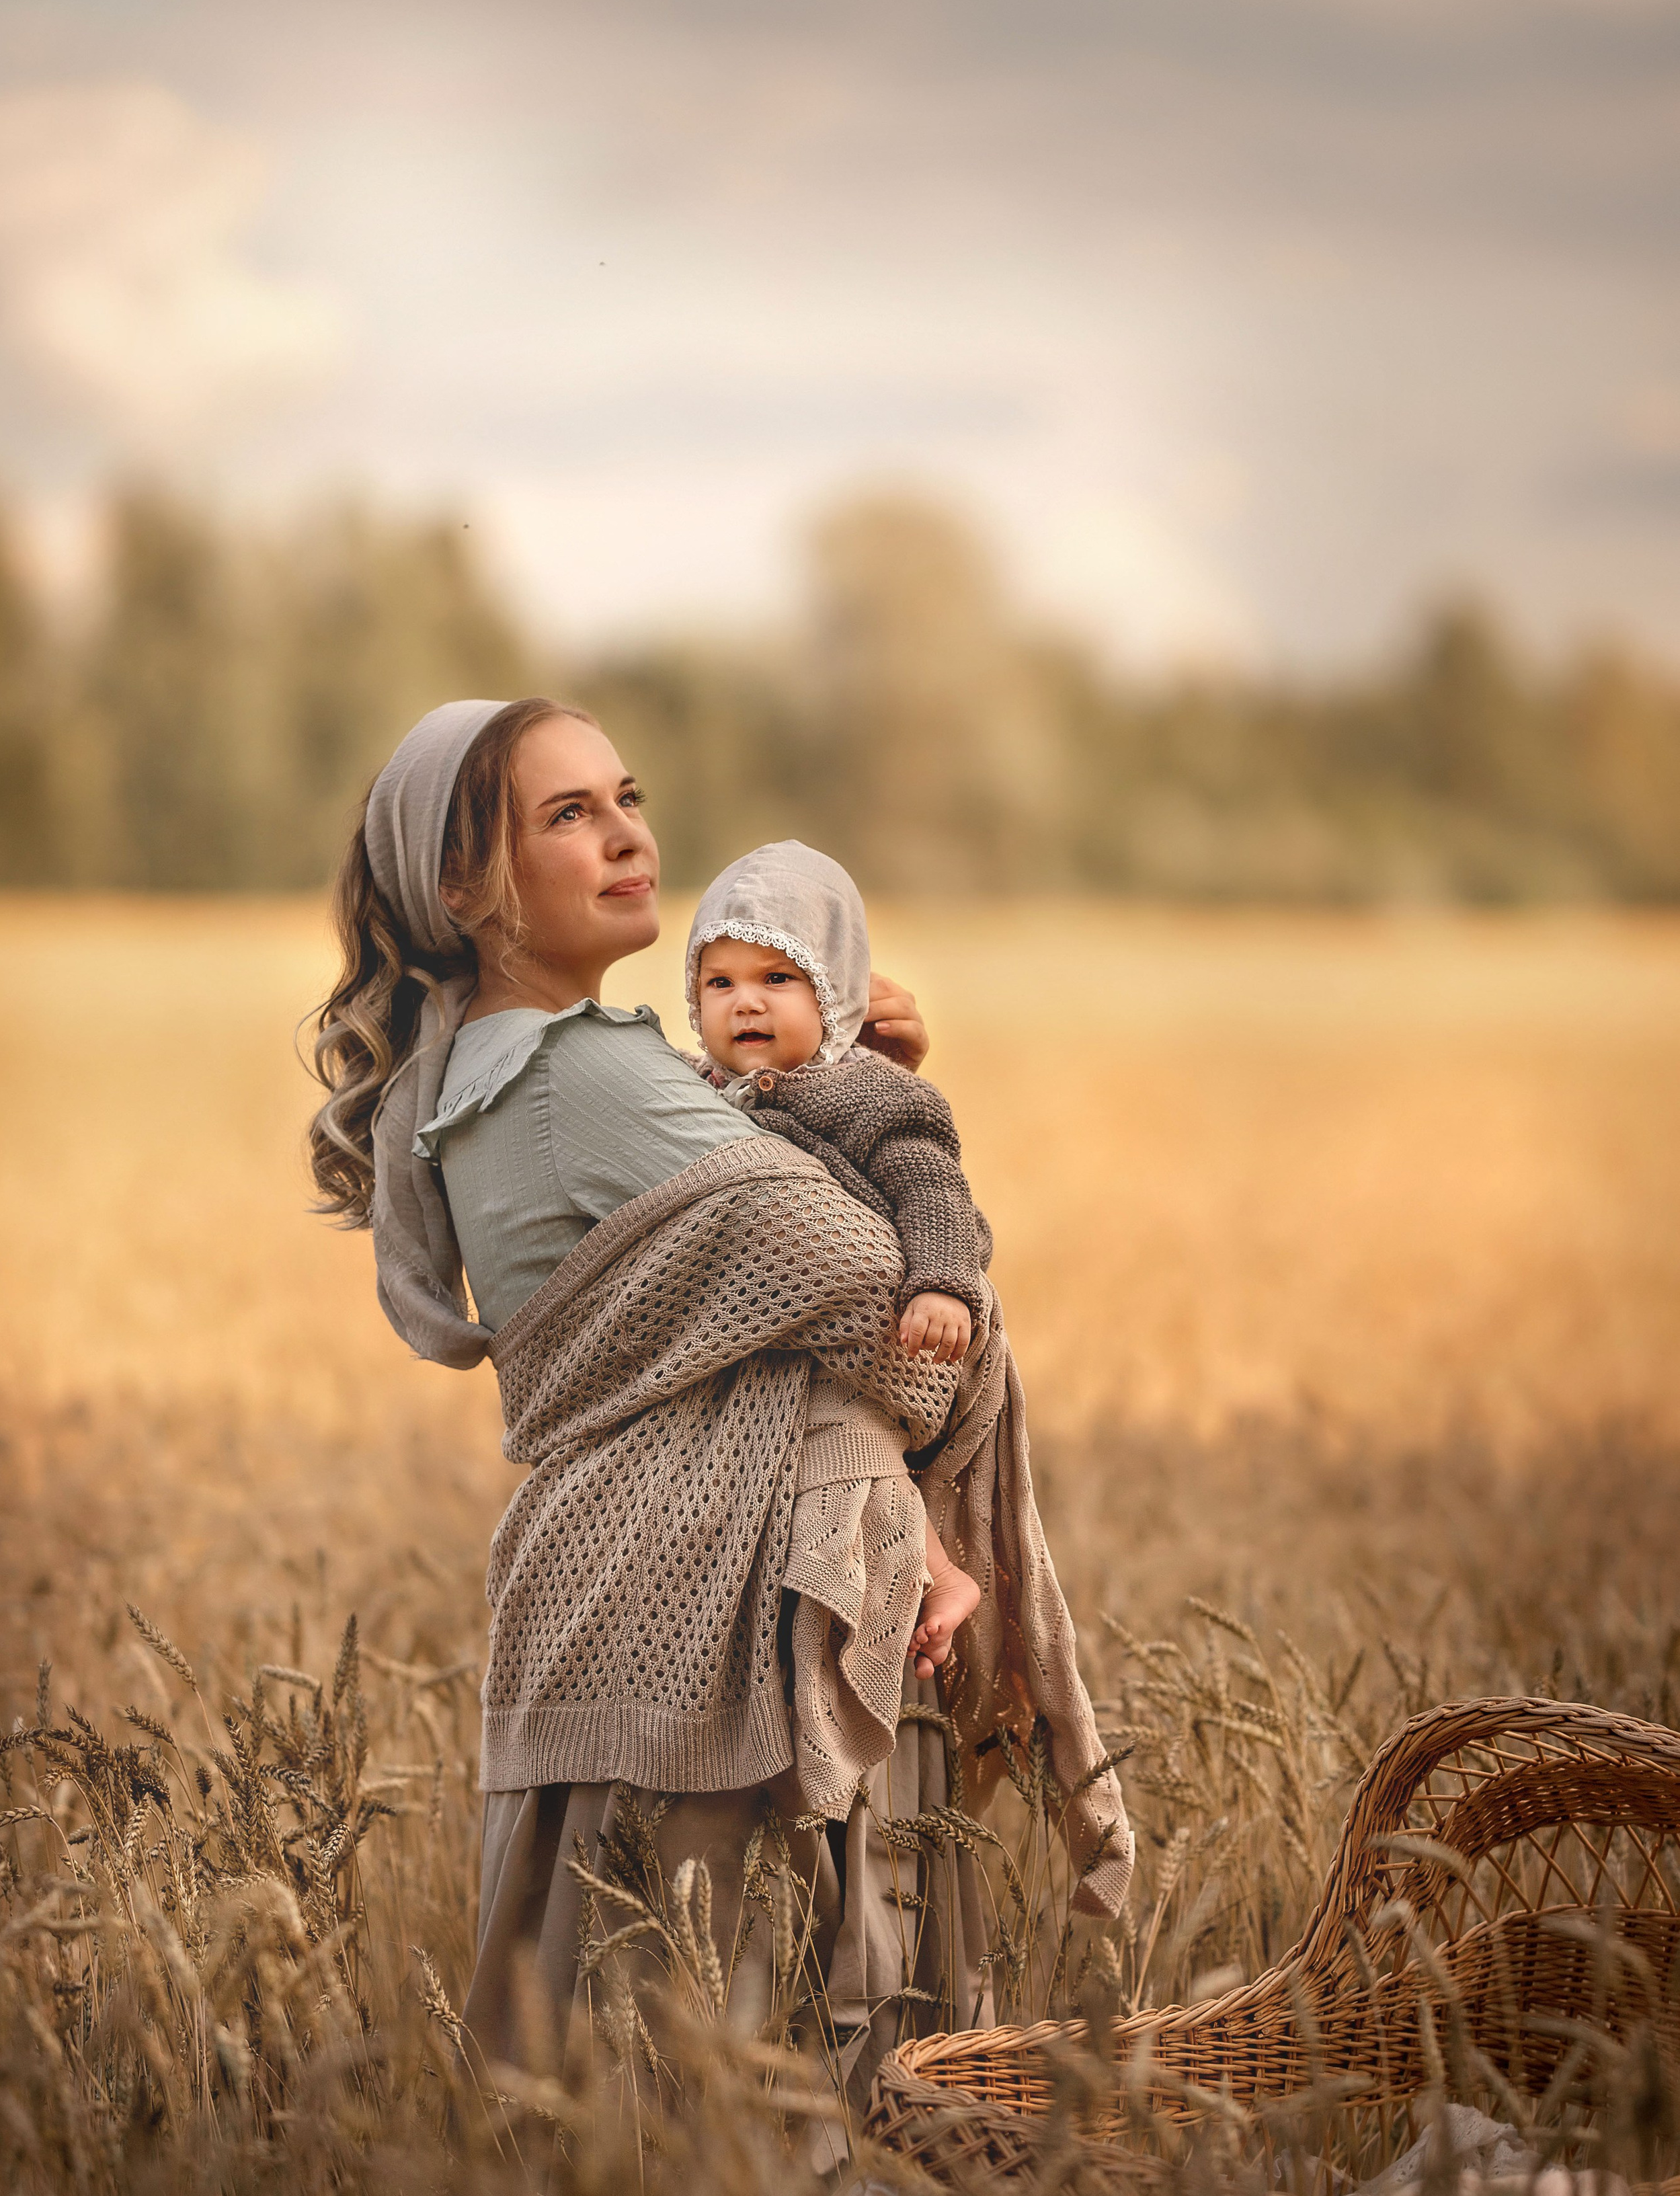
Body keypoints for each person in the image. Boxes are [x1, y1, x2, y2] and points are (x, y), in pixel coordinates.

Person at [307, 695, 1132, 2088]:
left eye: (623, 796)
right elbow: (893, 1322)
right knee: (766, 2070)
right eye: (567, 813)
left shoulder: (472, 1070)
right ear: (460, 885)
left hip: (604, 1582)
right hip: (724, 1593)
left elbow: (738, 1281)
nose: (628, 833)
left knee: (612, 2077)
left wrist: (855, 1094)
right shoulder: (590, 1069)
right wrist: (867, 1104)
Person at [685, 840, 990, 1680]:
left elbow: (934, 1191)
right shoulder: (691, 1088)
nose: (746, 1002)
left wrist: (942, 1286)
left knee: (846, 1441)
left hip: (867, 1333)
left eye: (778, 980)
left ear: (835, 995)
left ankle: (938, 1575)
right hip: (769, 1330)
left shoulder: (872, 1092)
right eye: (721, 982)